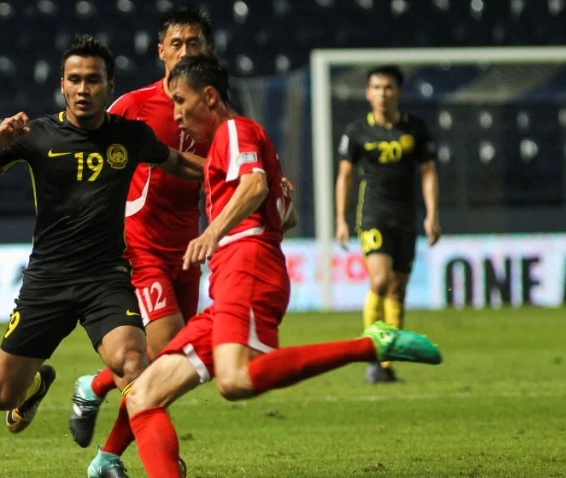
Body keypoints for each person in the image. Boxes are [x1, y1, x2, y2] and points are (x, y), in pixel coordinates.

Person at [111, 54, 442, 478]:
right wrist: (267, 206)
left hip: (247, 265)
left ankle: (372, 346)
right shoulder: (233, 144)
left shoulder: (234, 130)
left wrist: (213, 232)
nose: (175, 115)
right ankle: (110, 454)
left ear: (208, 97)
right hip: (232, 273)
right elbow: (286, 215)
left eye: (180, 101)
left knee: (235, 380)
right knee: (145, 396)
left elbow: (254, 185)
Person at [0, 35, 204, 436]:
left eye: (93, 80)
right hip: (47, 281)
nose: (83, 89)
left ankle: (143, 459)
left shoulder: (131, 135)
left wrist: (238, 171)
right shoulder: (36, 135)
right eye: (74, 80)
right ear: (62, 85)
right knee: (2, 396)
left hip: (105, 279)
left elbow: (178, 163)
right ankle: (36, 386)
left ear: (109, 85)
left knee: (134, 366)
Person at [70, 4, 214, 460]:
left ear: (208, 50)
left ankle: (95, 388)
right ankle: (110, 457)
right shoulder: (135, 106)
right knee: (168, 356)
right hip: (141, 245)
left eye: (194, 43)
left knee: (167, 365)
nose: (185, 52)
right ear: (161, 52)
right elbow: (86, 149)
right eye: (177, 44)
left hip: (188, 248)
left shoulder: (214, 111)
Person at [334, 65, 442, 384]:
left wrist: (432, 214)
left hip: (406, 217)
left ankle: (386, 363)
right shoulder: (357, 131)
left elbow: (428, 172)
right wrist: (340, 219)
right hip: (373, 214)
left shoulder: (415, 129)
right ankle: (372, 356)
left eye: (388, 88)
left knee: (398, 289)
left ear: (399, 92)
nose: (383, 94)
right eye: (377, 88)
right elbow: (345, 176)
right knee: (380, 280)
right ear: (368, 93)